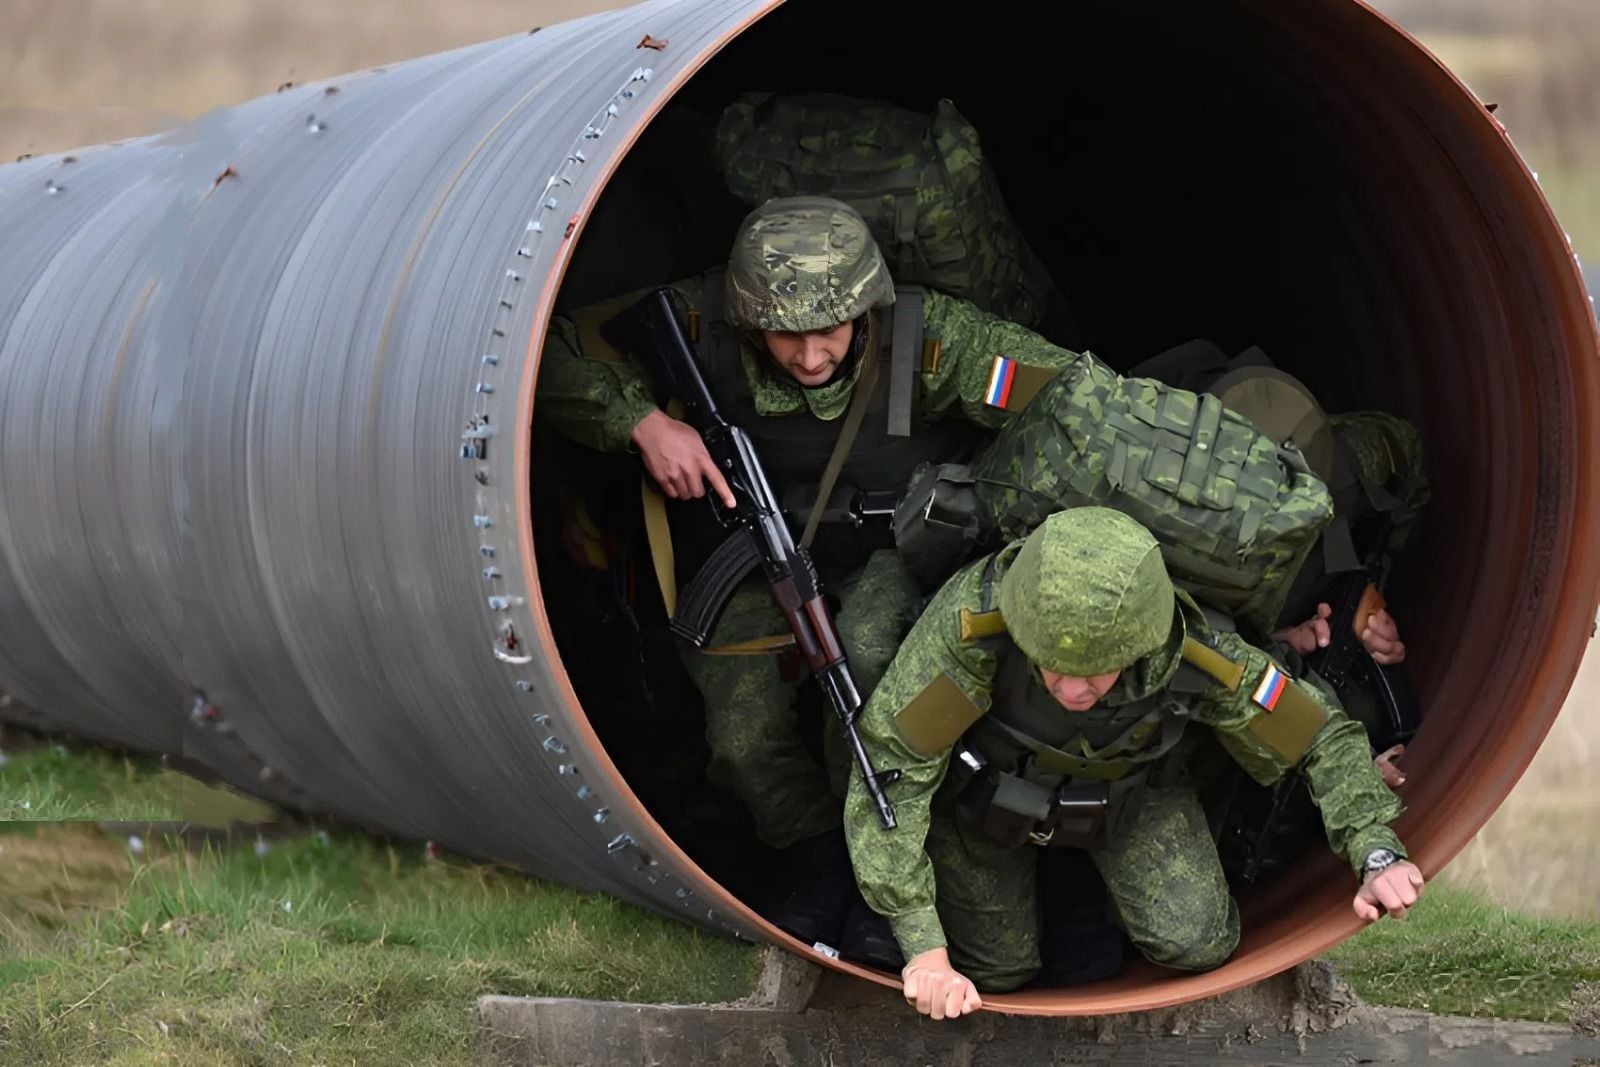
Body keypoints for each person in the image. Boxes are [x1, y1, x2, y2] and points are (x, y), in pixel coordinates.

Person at [535, 195, 1095, 958]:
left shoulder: (931, 340)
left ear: (865, 304)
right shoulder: (701, 321)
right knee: (739, 734)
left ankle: (880, 874)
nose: (808, 357)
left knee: (864, 662)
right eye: (784, 334)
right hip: (754, 551)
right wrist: (640, 421)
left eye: (829, 330)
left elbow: (1080, 403)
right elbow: (544, 350)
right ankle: (817, 853)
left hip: (897, 551)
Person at [843, 507, 1425, 1019]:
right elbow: (893, 764)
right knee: (995, 973)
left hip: (1129, 792)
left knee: (1200, 943)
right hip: (986, 794)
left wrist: (1375, 852)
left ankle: (1094, 902)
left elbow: (1318, 733)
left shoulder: (1194, 651)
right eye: (1052, 666)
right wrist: (923, 949)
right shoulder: (977, 623)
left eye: (1097, 670)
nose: (1072, 689)